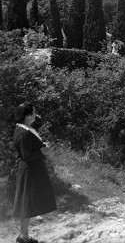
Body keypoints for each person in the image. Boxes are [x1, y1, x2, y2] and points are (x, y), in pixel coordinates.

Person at [12, 103, 57, 243]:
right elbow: (26, 155)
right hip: (28, 170)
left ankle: (23, 235)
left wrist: (42, 146)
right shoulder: (24, 132)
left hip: (31, 170)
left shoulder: (25, 129)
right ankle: (23, 236)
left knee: (28, 202)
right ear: (27, 115)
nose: (35, 116)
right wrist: (41, 151)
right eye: (34, 113)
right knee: (26, 202)